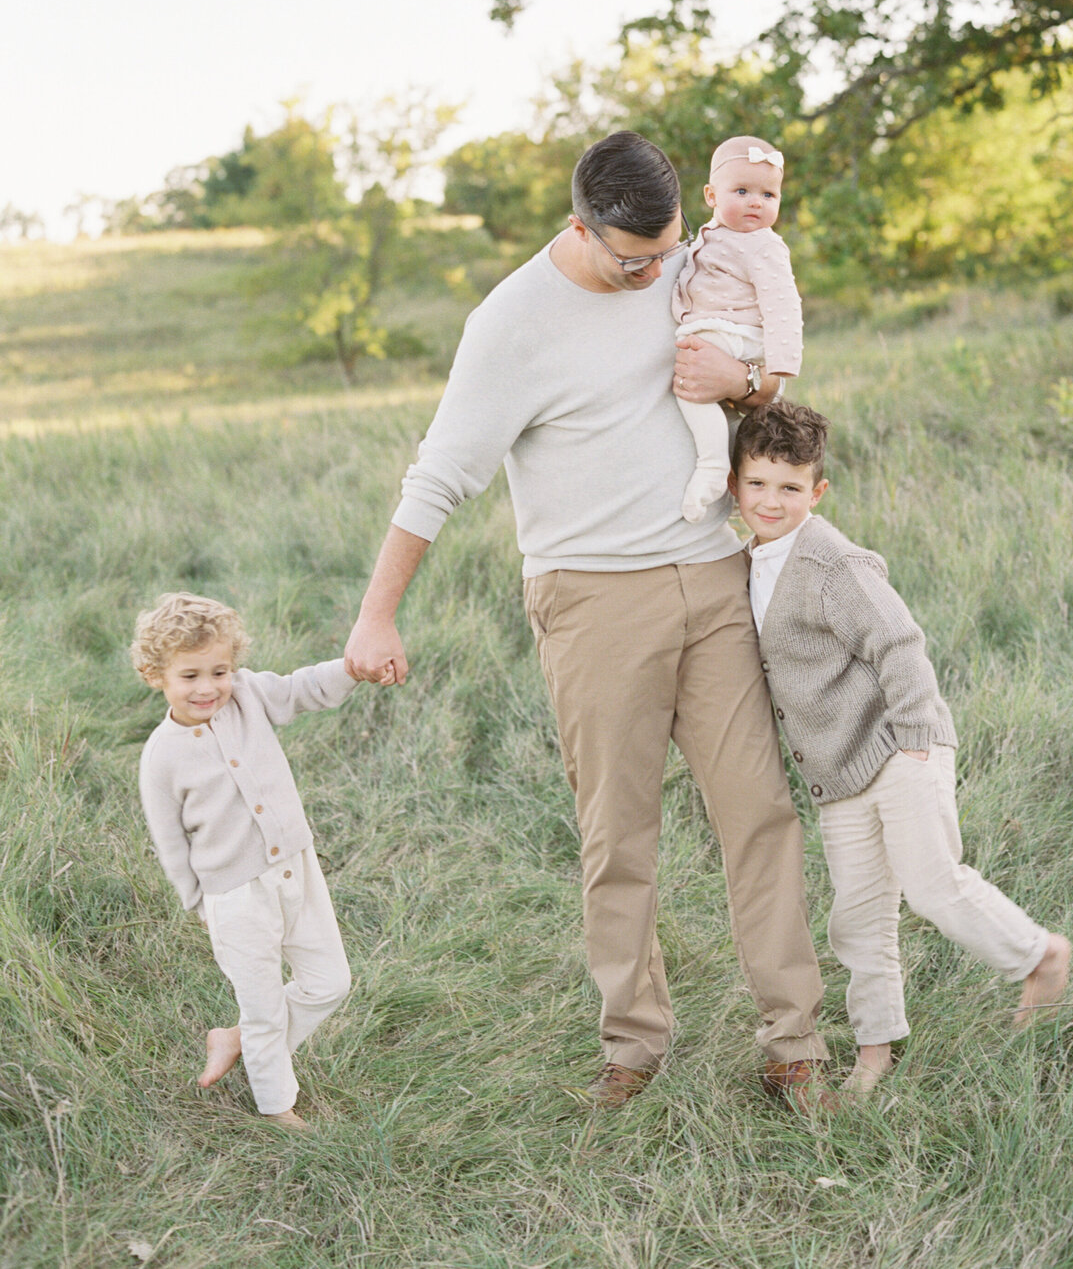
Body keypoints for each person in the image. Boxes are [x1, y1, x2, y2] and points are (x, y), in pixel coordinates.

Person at [345, 130, 830, 1111]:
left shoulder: (691, 263)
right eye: (633, 259)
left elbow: (765, 373)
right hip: (594, 598)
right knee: (620, 832)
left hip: (714, 578)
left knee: (760, 813)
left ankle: (795, 1042)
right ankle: (635, 1043)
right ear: (580, 226)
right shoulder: (512, 323)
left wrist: (741, 385)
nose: (656, 272)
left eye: (668, 248)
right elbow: (438, 475)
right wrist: (376, 615)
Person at [729, 402, 1072, 1095]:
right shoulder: (749, 562)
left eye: (790, 487)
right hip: (839, 775)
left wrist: (917, 738)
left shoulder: (831, 562)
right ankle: (876, 1050)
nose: (772, 500)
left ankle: (1039, 956)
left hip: (899, 750)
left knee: (932, 884)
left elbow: (898, 641)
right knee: (857, 918)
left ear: (816, 492)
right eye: (759, 484)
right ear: (735, 485)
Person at [134, 591, 359, 1130]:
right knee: (261, 1007)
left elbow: (304, 687)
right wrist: (201, 905)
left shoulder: (250, 696)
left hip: (296, 866)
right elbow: (170, 841)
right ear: (155, 675)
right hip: (232, 895)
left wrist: (354, 667)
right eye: (190, 676)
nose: (208, 687)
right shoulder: (161, 756)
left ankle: (232, 1040)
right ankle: (277, 1104)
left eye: (220, 670)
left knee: (330, 983)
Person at [672, 135, 803, 523]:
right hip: (719, 329)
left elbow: (783, 306)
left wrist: (781, 365)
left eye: (768, 195)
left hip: (732, 332)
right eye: (742, 191)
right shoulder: (712, 235)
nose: (755, 202)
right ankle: (731, 473)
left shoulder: (764, 245)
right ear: (711, 195)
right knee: (716, 403)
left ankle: (712, 466)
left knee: (690, 379)